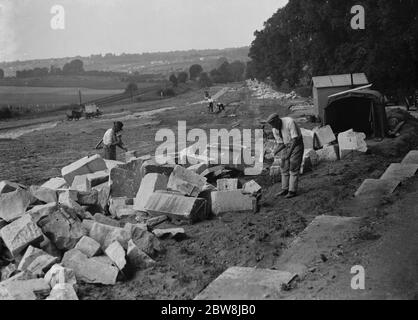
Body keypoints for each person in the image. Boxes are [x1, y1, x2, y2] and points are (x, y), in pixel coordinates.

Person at [266, 114, 304, 199]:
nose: (274, 127)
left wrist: (289, 154)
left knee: (293, 166)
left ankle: (292, 191)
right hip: (286, 145)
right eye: (272, 125)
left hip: (296, 144)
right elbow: (281, 144)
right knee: (284, 166)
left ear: (278, 120)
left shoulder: (289, 122)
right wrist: (273, 153)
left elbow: (295, 139)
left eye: (274, 124)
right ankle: (285, 189)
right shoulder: (275, 129)